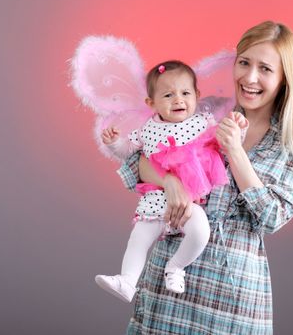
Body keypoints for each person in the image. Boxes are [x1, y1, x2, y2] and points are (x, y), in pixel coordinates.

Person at [118, 21, 293, 334]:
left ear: (286, 78)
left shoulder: (289, 144)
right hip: (168, 288)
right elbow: (140, 161)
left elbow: (271, 217)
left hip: (229, 301)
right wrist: (171, 182)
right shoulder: (205, 113)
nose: (250, 77)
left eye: (265, 69)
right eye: (244, 63)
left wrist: (235, 150)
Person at [95, 60, 248, 303]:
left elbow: (224, 143)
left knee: (200, 232)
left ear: (197, 95)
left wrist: (238, 129)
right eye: (168, 95)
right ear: (151, 103)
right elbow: (127, 151)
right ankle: (127, 280)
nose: (178, 100)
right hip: (157, 198)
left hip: (190, 200)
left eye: (185, 93)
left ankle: (176, 266)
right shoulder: (147, 129)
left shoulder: (202, 122)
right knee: (138, 239)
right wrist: (114, 143)